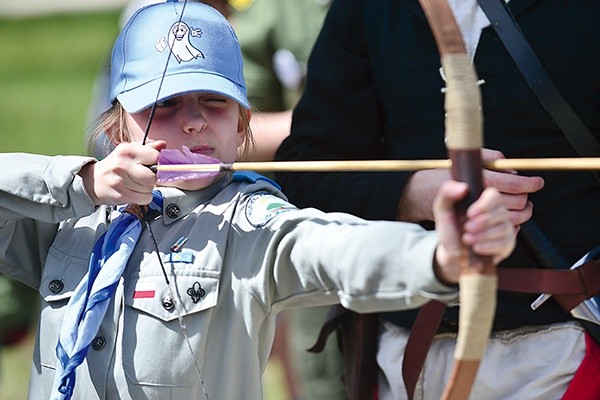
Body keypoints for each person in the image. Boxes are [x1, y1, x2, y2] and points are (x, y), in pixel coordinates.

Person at [0, 1, 516, 399]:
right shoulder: (73, 216)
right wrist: (81, 182)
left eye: (215, 103)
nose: (195, 120)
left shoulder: (251, 224)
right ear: (117, 124)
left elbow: (333, 252)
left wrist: (441, 258)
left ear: (243, 123)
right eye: (165, 104)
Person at [275, 0, 600, 399]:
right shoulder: (370, 10)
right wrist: (413, 193)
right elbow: (307, 174)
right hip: (403, 354)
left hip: (565, 350)